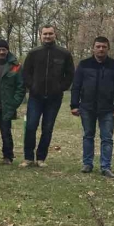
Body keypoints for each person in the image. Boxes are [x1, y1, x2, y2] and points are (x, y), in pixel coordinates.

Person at [70, 36, 114, 178]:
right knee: (88, 135)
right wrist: (74, 104)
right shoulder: (84, 64)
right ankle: (87, 164)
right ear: (93, 48)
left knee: (107, 138)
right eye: (98, 46)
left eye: (104, 47)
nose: (101, 49)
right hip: (87, 107)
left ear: (108, 48)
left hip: (107, 109)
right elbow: (76, 86)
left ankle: (105, 166)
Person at [21, 25, 75, 167]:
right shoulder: (33, 53)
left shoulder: (64, 54)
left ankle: (41, 158)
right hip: (35, 97)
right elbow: (25, 73)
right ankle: (28, 157)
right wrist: (32, 86)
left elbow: (70, 75)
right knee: (31, 126)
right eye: (45, 34)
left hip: (54, 98)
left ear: (55, 35)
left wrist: (61, 88)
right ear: (40, 36)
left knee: (48, 128)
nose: (47, 36)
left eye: (50, 34)